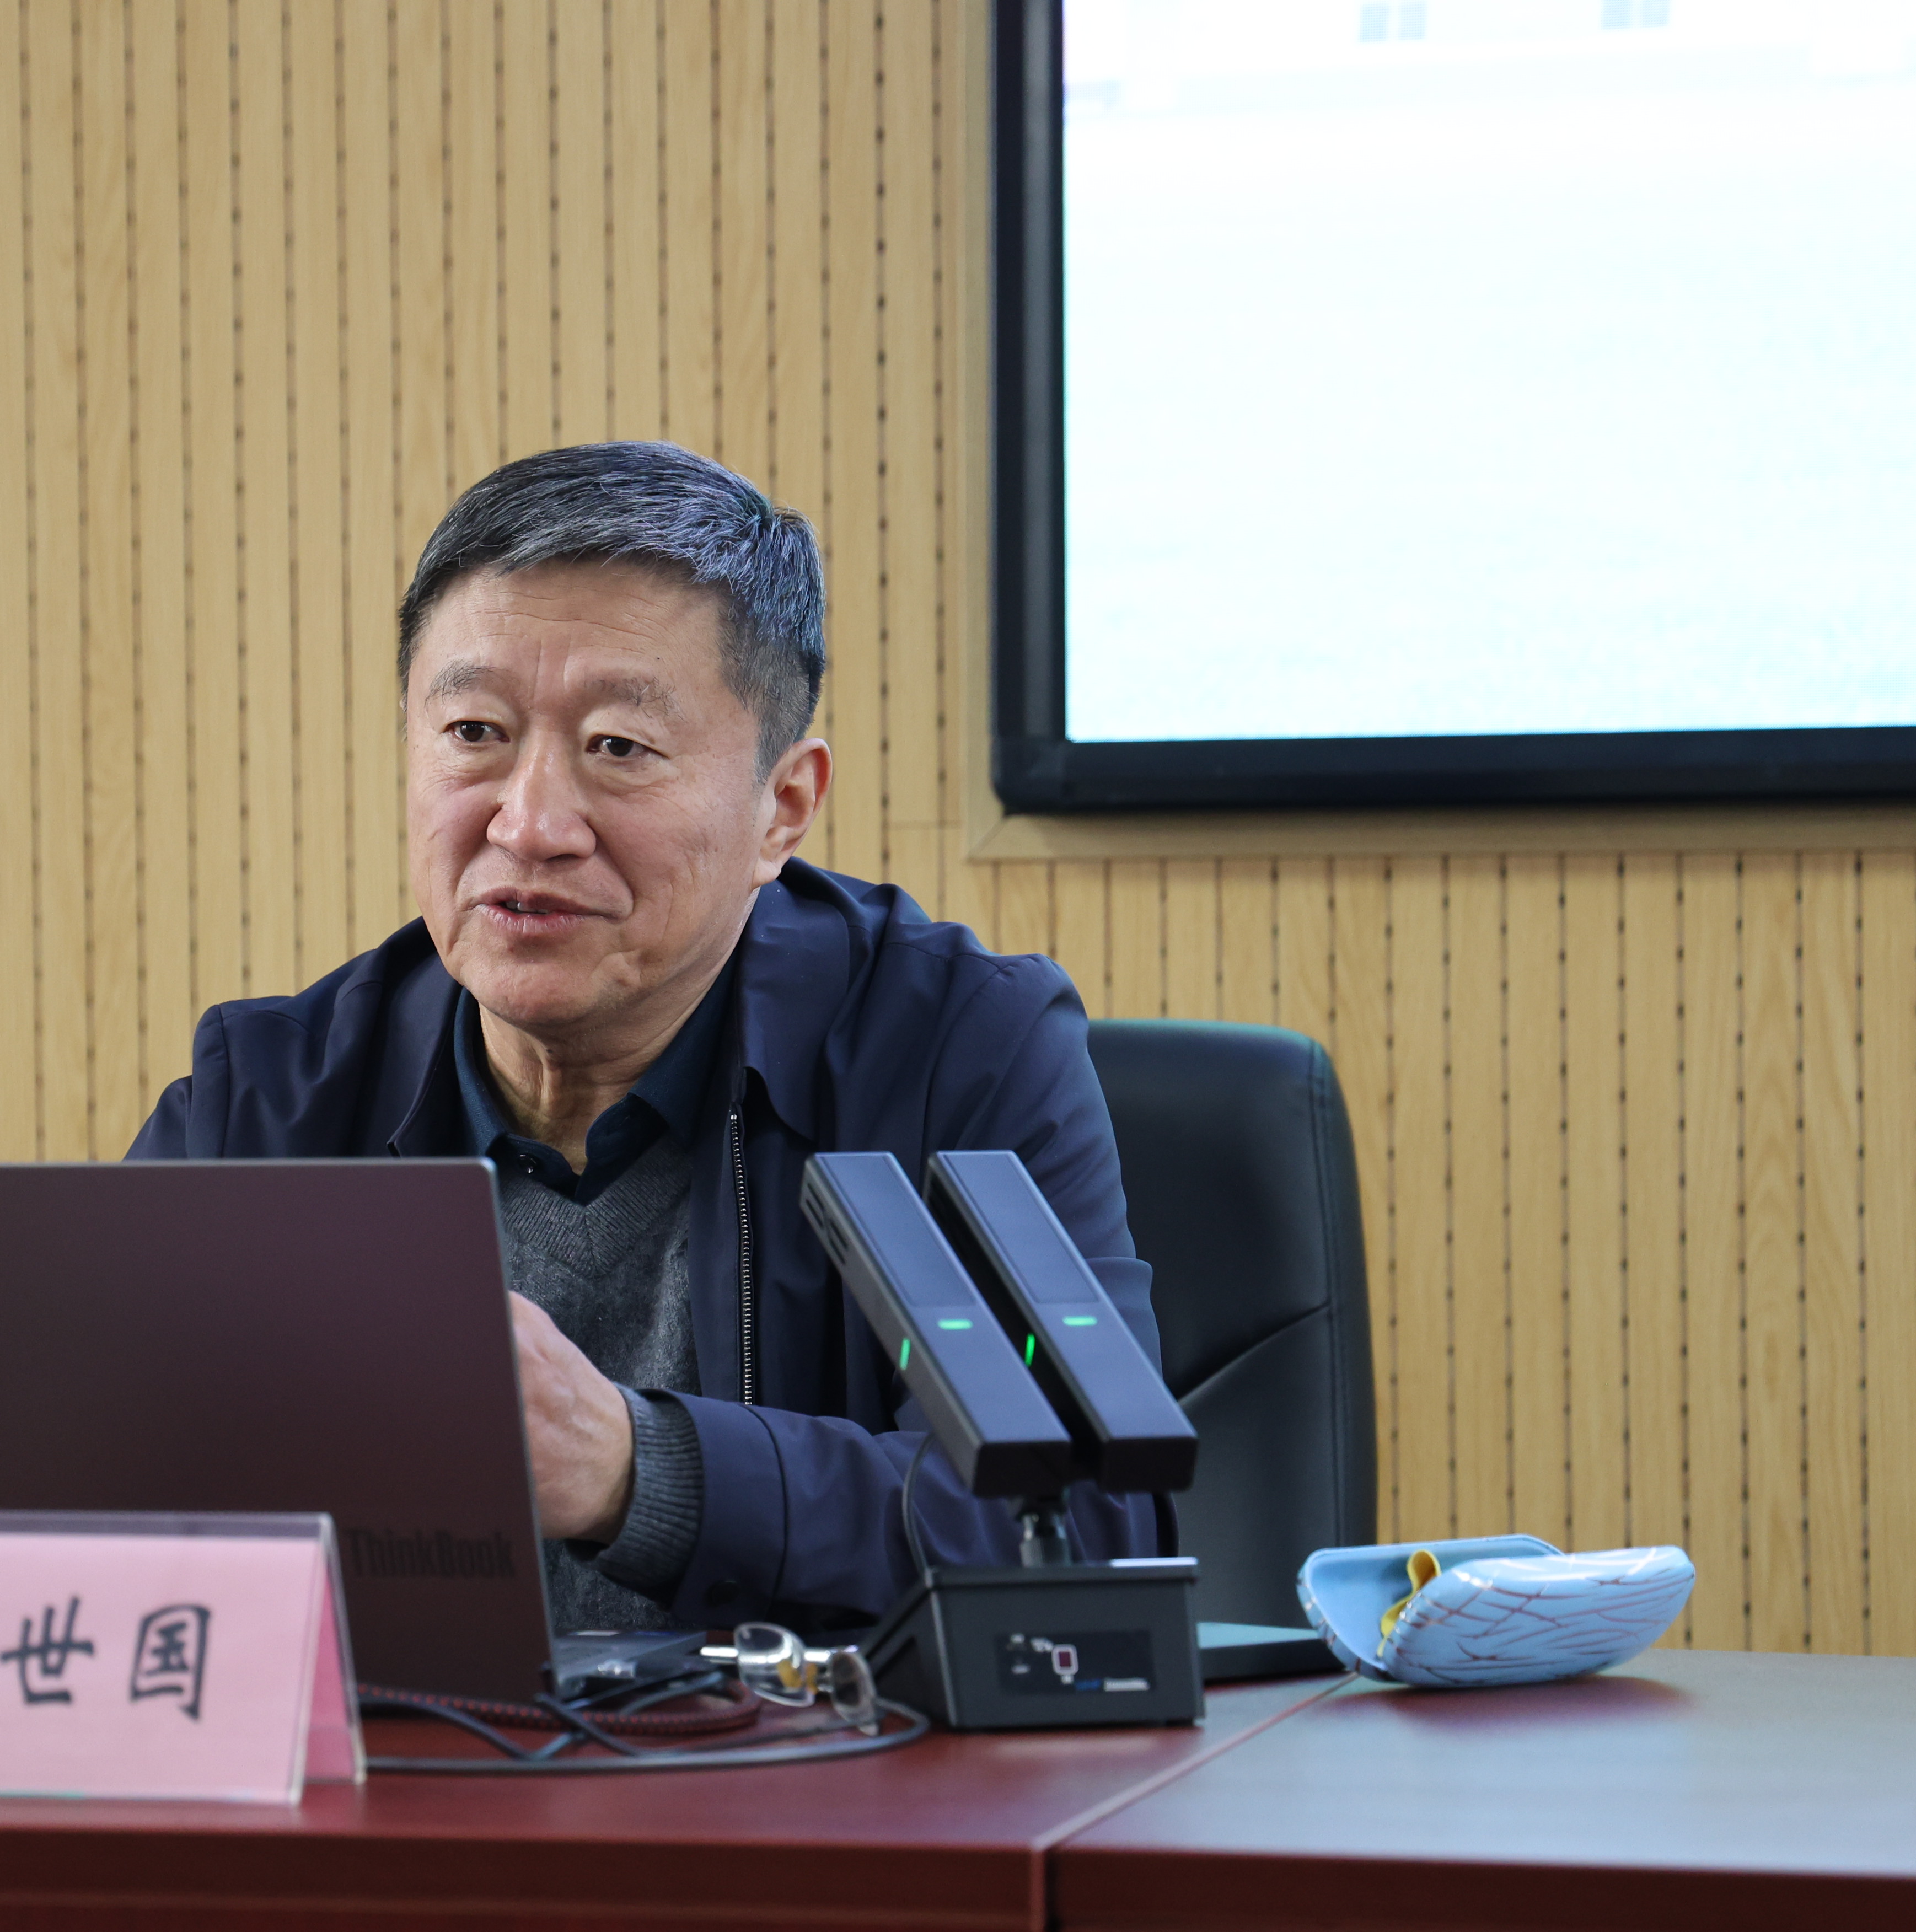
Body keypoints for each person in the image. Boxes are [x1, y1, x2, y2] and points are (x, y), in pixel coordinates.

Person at [131, 441, 1160, 1633]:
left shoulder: (955, 1051)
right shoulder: (266, 1100)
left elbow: (1089, 1529)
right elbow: (77, 1506)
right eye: (473, 731)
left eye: (618, 747)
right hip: (416, 1753)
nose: (530, 823)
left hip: (806, 1754)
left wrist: (635, 1467)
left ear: (783, 807)